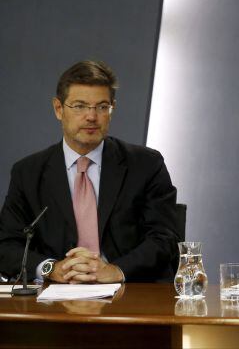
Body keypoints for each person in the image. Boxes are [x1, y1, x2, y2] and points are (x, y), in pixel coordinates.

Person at [0, 60, 180, 283]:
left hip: (129, 294)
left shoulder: (146, 164)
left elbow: (165, 238)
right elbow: (6, 246)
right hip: (55, 297)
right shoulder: (28, 172)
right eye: (80, 106)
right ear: (58, 109)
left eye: (102, 107)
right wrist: (51, 268)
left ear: (111, 109)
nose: (92, 116)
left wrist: (116, 270)